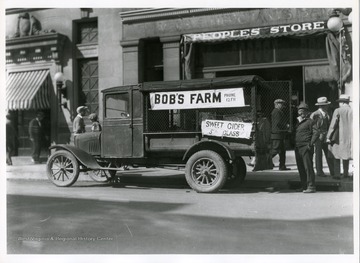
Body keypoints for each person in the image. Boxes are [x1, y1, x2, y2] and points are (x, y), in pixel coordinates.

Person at [326, 94, 353, 180]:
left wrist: (328, 136)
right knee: (346, 155)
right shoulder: (353, 111)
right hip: (350, 137)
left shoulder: (337, 110)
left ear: (341, 102)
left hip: (338, 137)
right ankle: (345, 173)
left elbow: (333, 125)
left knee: (336, 155)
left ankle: (337, 174)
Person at [294, 102, 318, 193]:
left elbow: (316, 133)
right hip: (298, 147)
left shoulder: (310, 122)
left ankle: (311, 186)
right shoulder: (298, 122)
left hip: (306, 147)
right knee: (301, 167)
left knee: (308, 167)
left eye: (303, 111)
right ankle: (304, 186)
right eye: (299, 111)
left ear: (307, 112)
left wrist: (310, 144)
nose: (301, 113)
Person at [310, 97, 334, 177]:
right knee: (318, 154)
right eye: (326, 105)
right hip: (318, 137)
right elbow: (311, 126)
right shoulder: (315, 114)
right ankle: (319, 171)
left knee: (329, 154)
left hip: (326, 136)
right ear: (321, 106)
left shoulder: (327, 113)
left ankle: (333, 172)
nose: (327, 106)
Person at [271, 99, 290, 170]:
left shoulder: (278, 111)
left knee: (282, 151)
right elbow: (278, 123)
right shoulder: (276, 111)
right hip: (277, 134)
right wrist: (286, 126)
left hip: (279, 134)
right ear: (277, 104)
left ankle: (282, 166)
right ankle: (266, 160)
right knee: (276, 150)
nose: (282, 105)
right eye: (281, 104)